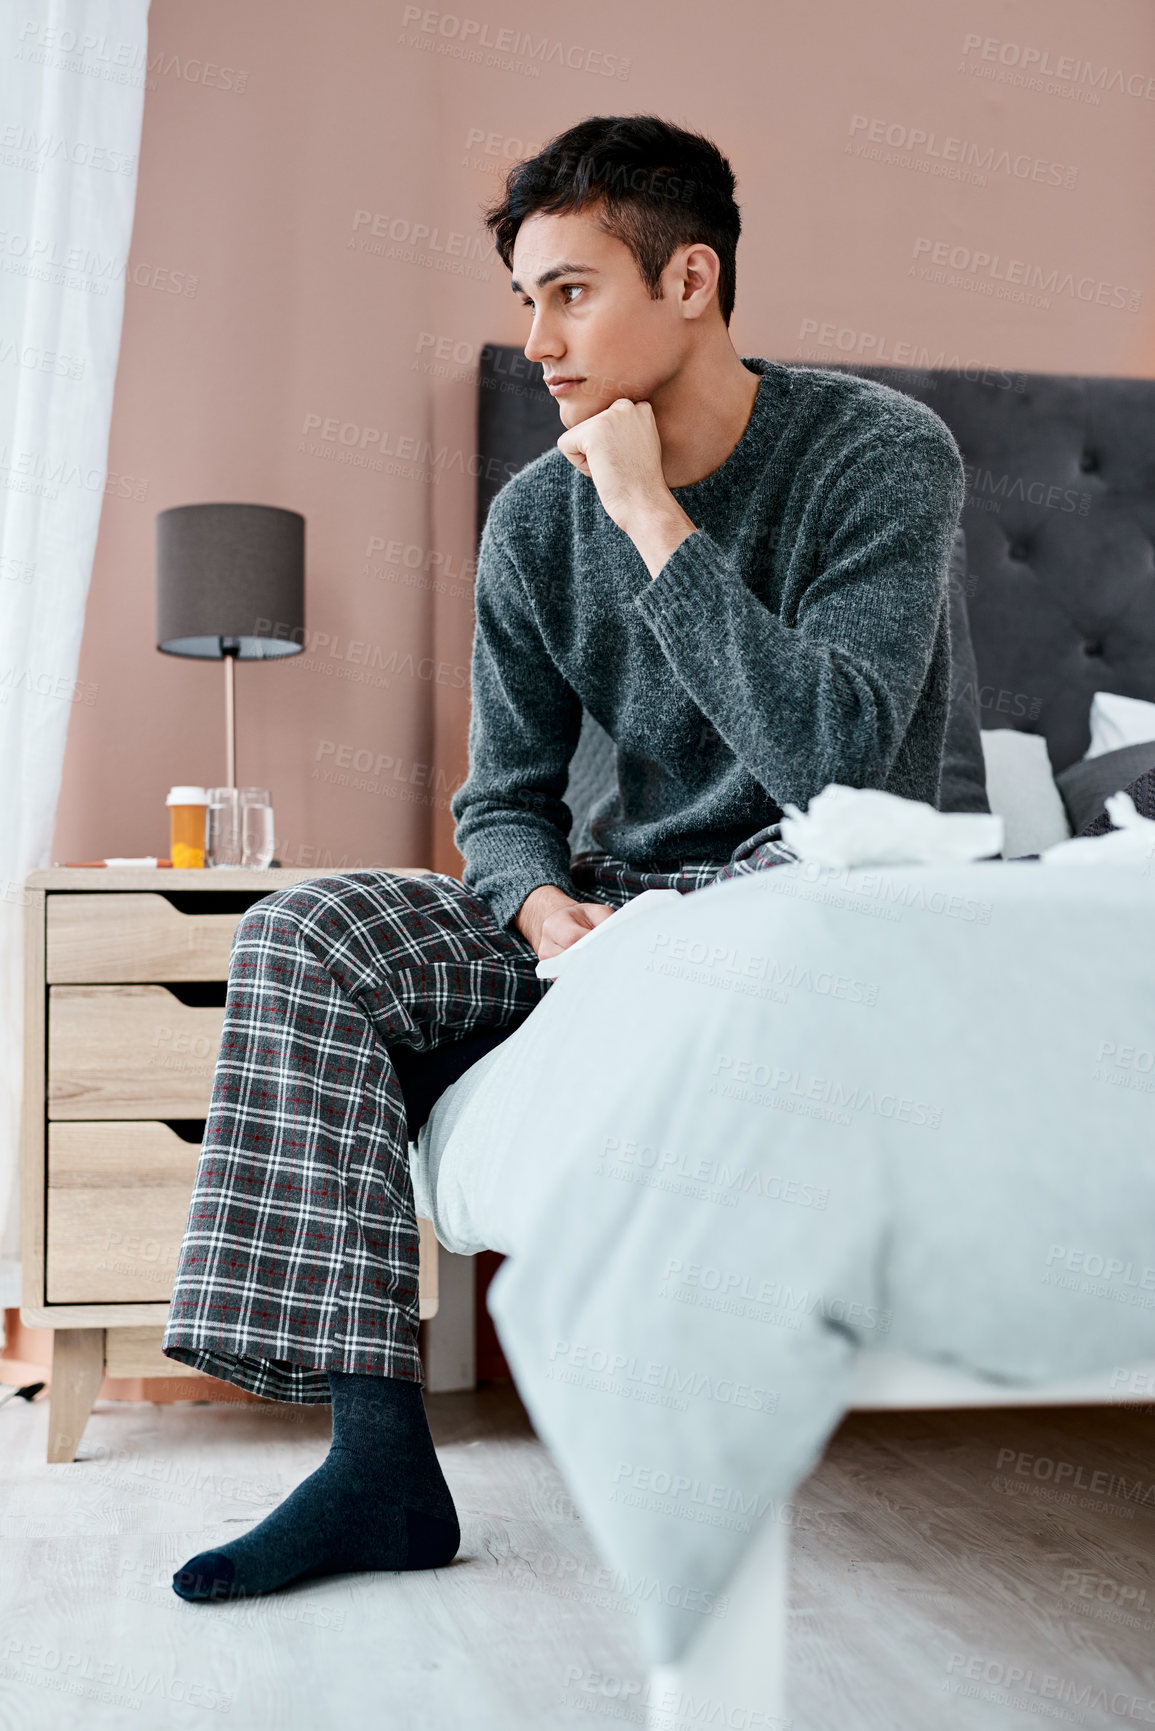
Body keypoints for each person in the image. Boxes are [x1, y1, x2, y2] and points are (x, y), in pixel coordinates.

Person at [162, 112, 965, 1602]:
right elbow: (502, 798)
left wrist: (651, 511)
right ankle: (376, 1462)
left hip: (809, 887)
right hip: (605, 910)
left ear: (692, 281)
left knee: (744, 928)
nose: (538, 337)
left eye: (572, 291)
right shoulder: (535, 517)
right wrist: (538, 913)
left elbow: (837, 758)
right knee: (301, 937)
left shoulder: (879, 457)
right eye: (524, 298)